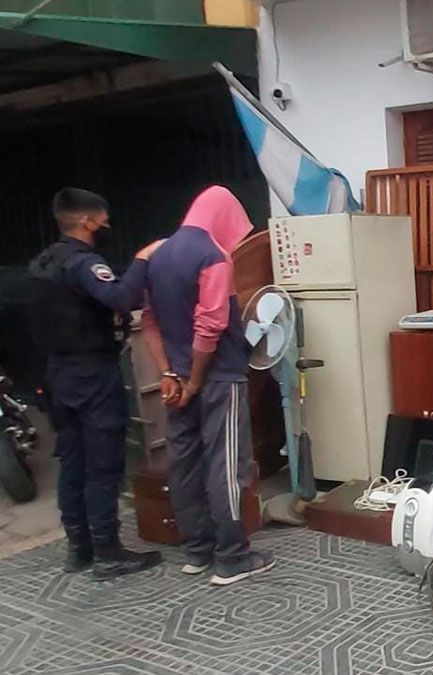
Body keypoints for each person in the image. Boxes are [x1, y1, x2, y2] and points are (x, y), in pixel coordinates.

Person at [27, 187, 164, 579]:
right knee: (103, 464)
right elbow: (120, 298)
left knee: (73, 462)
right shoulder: (84, 263)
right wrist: (142, 260)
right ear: (87, 221)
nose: (106, 228)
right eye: (103, 222)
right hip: (92, 374)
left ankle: (80, 549)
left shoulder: (43, 262)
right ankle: (108, 553)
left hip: (58, 375)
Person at [141, 185, 273, 585]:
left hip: (177, 383)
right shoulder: (212, 256)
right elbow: (211, 324)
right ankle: (232, 556)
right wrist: (196, 381)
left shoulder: (157, 256)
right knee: (226, 465)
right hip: (217, 380)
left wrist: (169, 374)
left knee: (184, 463)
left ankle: (197, 551)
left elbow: (150, 321)